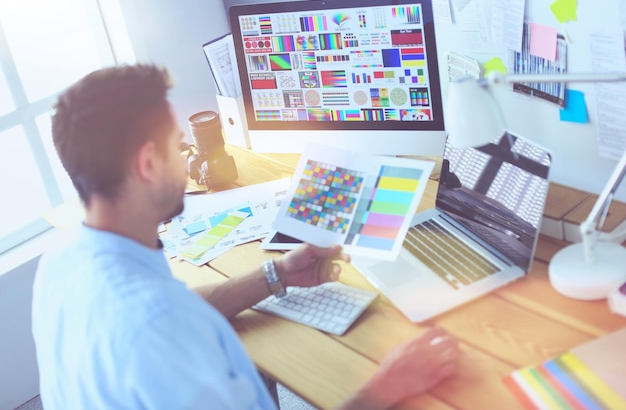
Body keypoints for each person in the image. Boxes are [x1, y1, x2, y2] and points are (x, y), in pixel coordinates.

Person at [32, 63, 459, 410]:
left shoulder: (62, 259)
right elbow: (165, 323)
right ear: (147, 164)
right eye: (179, 148)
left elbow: (179, 310)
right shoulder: (156, 328)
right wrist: (388, 386)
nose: (188, 161)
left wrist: (276, 275)